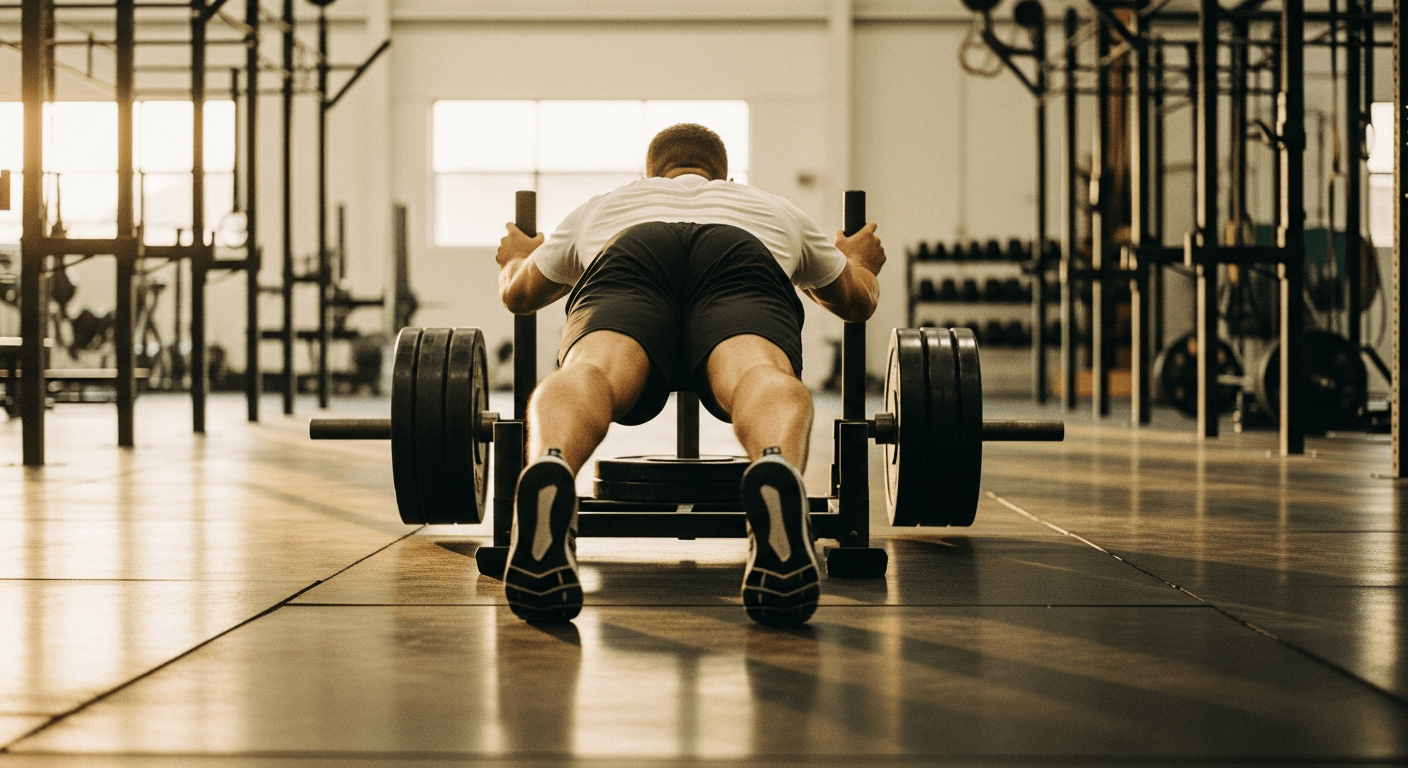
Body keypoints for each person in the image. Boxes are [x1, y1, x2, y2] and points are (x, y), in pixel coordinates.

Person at [493, 123, 885, 626]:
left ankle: (550, 465)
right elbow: (855, 302)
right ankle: (775, 466)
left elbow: (519, 294)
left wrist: (516, 259)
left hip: (632, 249)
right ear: (723, 176)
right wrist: (859, 262)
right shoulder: (770, 208)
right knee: (759, 373)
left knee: (592, 367)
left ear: (650, 173)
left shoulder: (607, 204)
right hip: (739, 252)